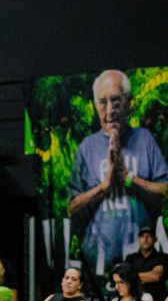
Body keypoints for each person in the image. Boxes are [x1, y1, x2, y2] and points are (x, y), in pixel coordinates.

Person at [68, 70, 168, 283]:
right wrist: (104, 187)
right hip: (96, 269)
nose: (110, 110)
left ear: (129, 102)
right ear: (96, 106)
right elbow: (72, 206)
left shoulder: (144, 140)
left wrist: (129, 178)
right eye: (103, 102)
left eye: (116, 100)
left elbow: (165, 191)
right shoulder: (87, 147)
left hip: (141, 262)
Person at [125, 226, 168, 301]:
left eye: (149, 236)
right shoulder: (130, 258)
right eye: (142, 236)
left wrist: (133, 276)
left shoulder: (164, 258)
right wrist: (148, 274)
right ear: (138, 239)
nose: (145, 239)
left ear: (155, 239)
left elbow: (156, 276)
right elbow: (125, 277)